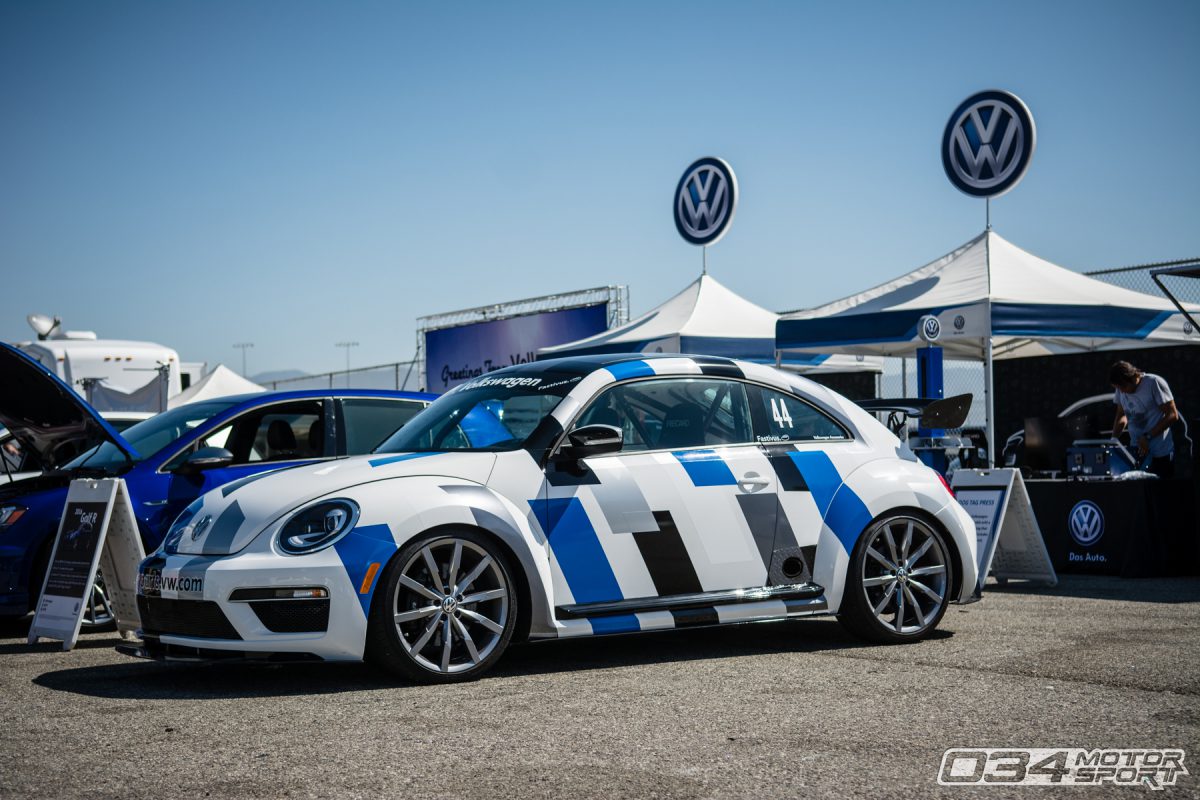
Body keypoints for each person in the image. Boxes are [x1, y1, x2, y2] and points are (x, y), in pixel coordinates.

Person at [1110, 361, 1179, 478]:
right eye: (1118, 388)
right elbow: (1122, 415)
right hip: (1135, 453)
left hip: (1160, 454)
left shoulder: (1154, 383)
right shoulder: (1120, 388)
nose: (1121, 391)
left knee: (1162, 494)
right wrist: (1113, 439)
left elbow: (1172, 415)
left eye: (1123, 387)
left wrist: (1147, 436)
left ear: (1133, 377)